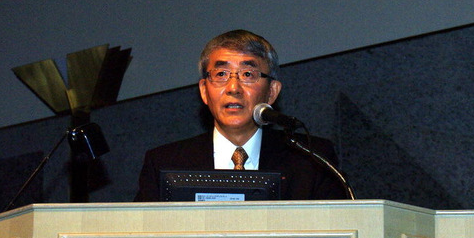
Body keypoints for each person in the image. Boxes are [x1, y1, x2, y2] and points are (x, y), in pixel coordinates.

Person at [134, 29, 350, 201]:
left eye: (248, 74)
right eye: (221, 74)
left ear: (272, 91)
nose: (233, 88)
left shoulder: (312, 160)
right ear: (204, 90)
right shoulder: (164, 163)